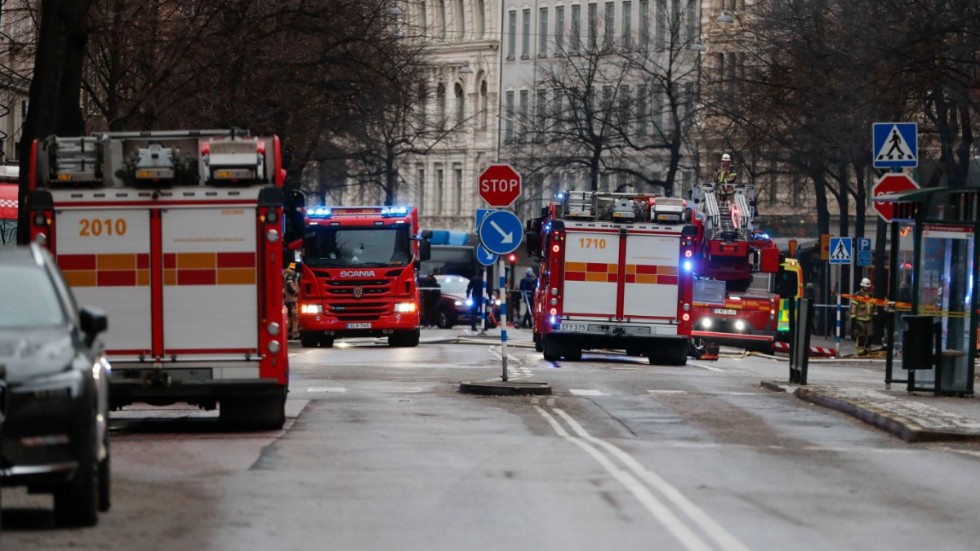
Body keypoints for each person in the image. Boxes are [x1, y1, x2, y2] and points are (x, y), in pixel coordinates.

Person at [850, 277, 876, 355]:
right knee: (861, 337)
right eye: (866, 286)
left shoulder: (871, 295)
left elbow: (873, 305)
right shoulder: (858, 295)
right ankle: (860, 351)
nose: (867, 288)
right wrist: (853, 317)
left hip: (869, 319)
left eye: (868, 286)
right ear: (862, 286)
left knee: (871, 336)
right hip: (860, 319)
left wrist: (875, 313)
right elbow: (854, 306)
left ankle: (867, 349)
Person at [283, 263, 300, 339]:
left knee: (289, 318)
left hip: (288, 300)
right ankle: (294, 333)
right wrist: (296, 291)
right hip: (292, 300)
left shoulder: (287, 275)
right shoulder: (290, 276)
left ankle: (287, 333)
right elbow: (290, 286)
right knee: (295, 317)